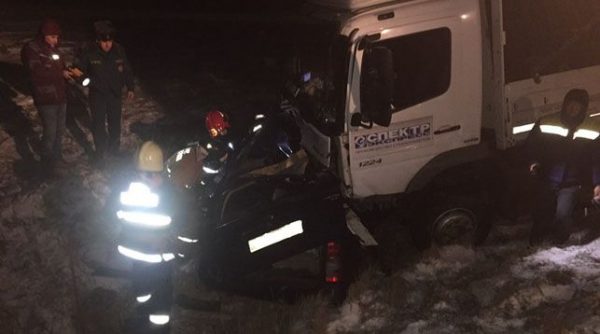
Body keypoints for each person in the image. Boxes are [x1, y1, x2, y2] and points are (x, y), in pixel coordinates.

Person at [526, 88, 600, 245]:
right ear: (565, 104)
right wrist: (533, 162)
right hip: (547, 177)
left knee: (562, 215)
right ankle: (535, 240)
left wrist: (597, 182)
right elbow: (532, 146)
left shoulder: (594, 127)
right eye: (570, 104)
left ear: (583, 108)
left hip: (572, 183)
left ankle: (560, 241)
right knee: (542, 211)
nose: (573, 108)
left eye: (577, 106)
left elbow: (596, 159)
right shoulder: (546, 121)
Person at [116, 141, 175, 332]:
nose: (158, 179)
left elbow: (115, 216)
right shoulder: (165, 197)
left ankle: (142, 314)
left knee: (142, 288)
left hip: (135, 257)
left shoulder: (125, 193)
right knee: (162, 298)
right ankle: (159, 328)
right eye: (155, 174)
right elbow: (178, 223)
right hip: (159, 260)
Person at [21, 18, 77, 175]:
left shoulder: (55, 51)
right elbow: (36, 73)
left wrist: (69, 73)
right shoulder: (32, 49)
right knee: (50, 131)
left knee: (59, 131)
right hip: (45, 98)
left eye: (57, 37)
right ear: (44, 35)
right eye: (52, 37)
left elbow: (60, 67)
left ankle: (57, 158)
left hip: (60, 96)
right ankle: (46, 163)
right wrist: (60, 73)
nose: (56, 40)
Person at [75, 20, 134, 164]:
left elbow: (126, 70)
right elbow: (77, 70)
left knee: (115, 124)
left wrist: (130, 87)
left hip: (115, 94)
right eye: (103, 41)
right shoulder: (89, 51)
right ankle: (100, 152)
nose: (107, 44)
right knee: (98, 124)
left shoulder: (119, 50)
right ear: (98, 40)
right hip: (98, 95)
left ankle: (114, 150)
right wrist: (85, 80)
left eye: (110, 41)